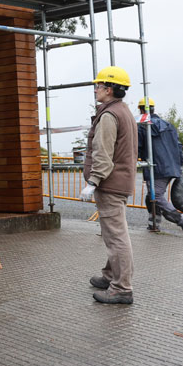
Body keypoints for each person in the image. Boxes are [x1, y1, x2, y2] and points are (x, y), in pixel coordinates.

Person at [79, 66, 138, 305]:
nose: (95, 90)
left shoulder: (108, 115)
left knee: (116, 237)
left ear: (110, 89)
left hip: (110, 184)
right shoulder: (123, 111)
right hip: (120, 181)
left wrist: (93, 182)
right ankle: (110, 275)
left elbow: (103, 153)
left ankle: (122, 288)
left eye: (99, 86)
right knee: (114, 233)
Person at [136, 97, 183, 236]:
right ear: (153, 108)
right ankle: (154, 223)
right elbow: (178, 146)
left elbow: (137, 147)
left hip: (156, 168)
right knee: (150, 197)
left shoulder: (143, 127)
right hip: (172, 166)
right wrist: (182, 165)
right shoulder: (168, 125)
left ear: (140, 110)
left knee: (155, 196)